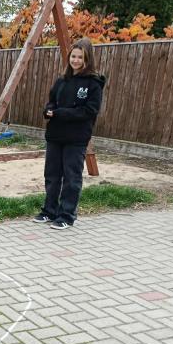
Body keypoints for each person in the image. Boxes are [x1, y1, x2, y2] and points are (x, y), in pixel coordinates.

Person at [33, 38, 105, 230]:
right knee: (52, 175)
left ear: (87, 59)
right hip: (55, 135)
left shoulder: (93, 84)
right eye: (73, 56)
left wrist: (59, 113)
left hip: (76, 138)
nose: (76, 60)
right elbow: (51, 102)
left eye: (80, 57)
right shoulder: (61, 81)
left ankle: (66, 215)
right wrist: (48, 110)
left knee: (72, 178)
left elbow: (89, 111)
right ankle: (49, 210)